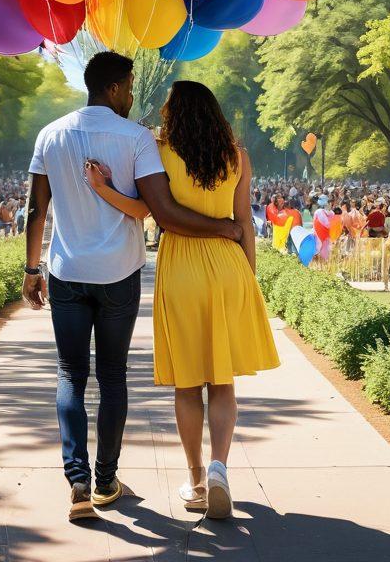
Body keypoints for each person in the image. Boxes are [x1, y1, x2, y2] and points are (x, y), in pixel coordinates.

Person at [23, 52, 242, 523]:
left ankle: (78, 479)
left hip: (66, 269)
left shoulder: (50, 134)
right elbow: (156, 209)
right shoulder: (136, 138)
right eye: (130, 86)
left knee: (70, 375)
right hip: (120, 271)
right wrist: (224, 228)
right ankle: (107, 479)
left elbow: (35, 211)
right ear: (118, 87)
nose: (133, 94)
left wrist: (30, 269)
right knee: (114, 376)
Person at [86, 80, 278, 520]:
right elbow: (243, 220)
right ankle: (219, 471)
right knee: (223, 380)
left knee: (189, 383)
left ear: (174, 115)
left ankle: (194, 482)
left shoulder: (158, 151)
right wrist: (249, 276)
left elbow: (148, 209)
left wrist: (105, 187)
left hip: (182, 266)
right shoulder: (237, 156)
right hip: (229, 265)